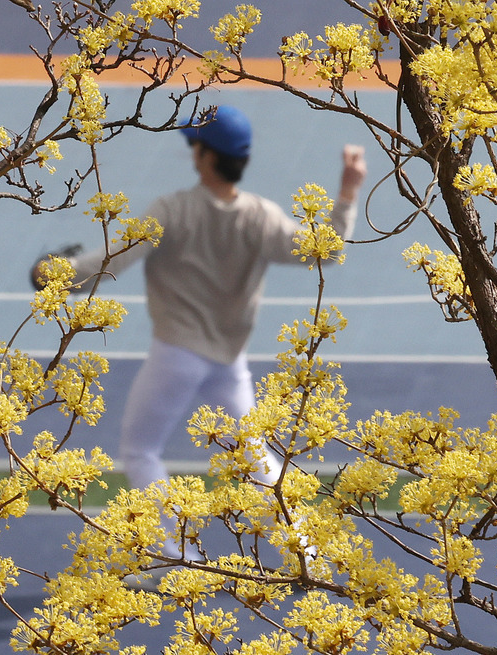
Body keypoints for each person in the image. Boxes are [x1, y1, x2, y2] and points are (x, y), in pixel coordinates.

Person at [34, 105, 367, 569]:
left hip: (176, 354)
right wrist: (348, 190)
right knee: (255, 458)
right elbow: (325, 251)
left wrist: (52, 274)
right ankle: (307, 553)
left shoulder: (173, 210)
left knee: (139, 449)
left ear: (207, 156)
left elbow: (110, 260)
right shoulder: (261, 216)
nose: (192, 151)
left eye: (197, 144)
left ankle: (178, 551)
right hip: (229, 360)